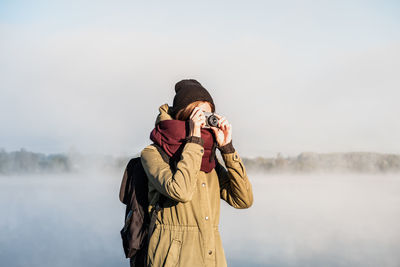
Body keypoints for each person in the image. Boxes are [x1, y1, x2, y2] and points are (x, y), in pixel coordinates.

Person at [140, 79, 253, 267]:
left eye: (209, 114)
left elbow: (244, 200)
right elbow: (180, 191)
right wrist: (194, 139)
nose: (205, 119)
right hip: (172, 260)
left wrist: (227, 149)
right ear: (185, 114)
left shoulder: (209, 161)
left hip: (212, 259)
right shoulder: (153, 153)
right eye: (199, 113)